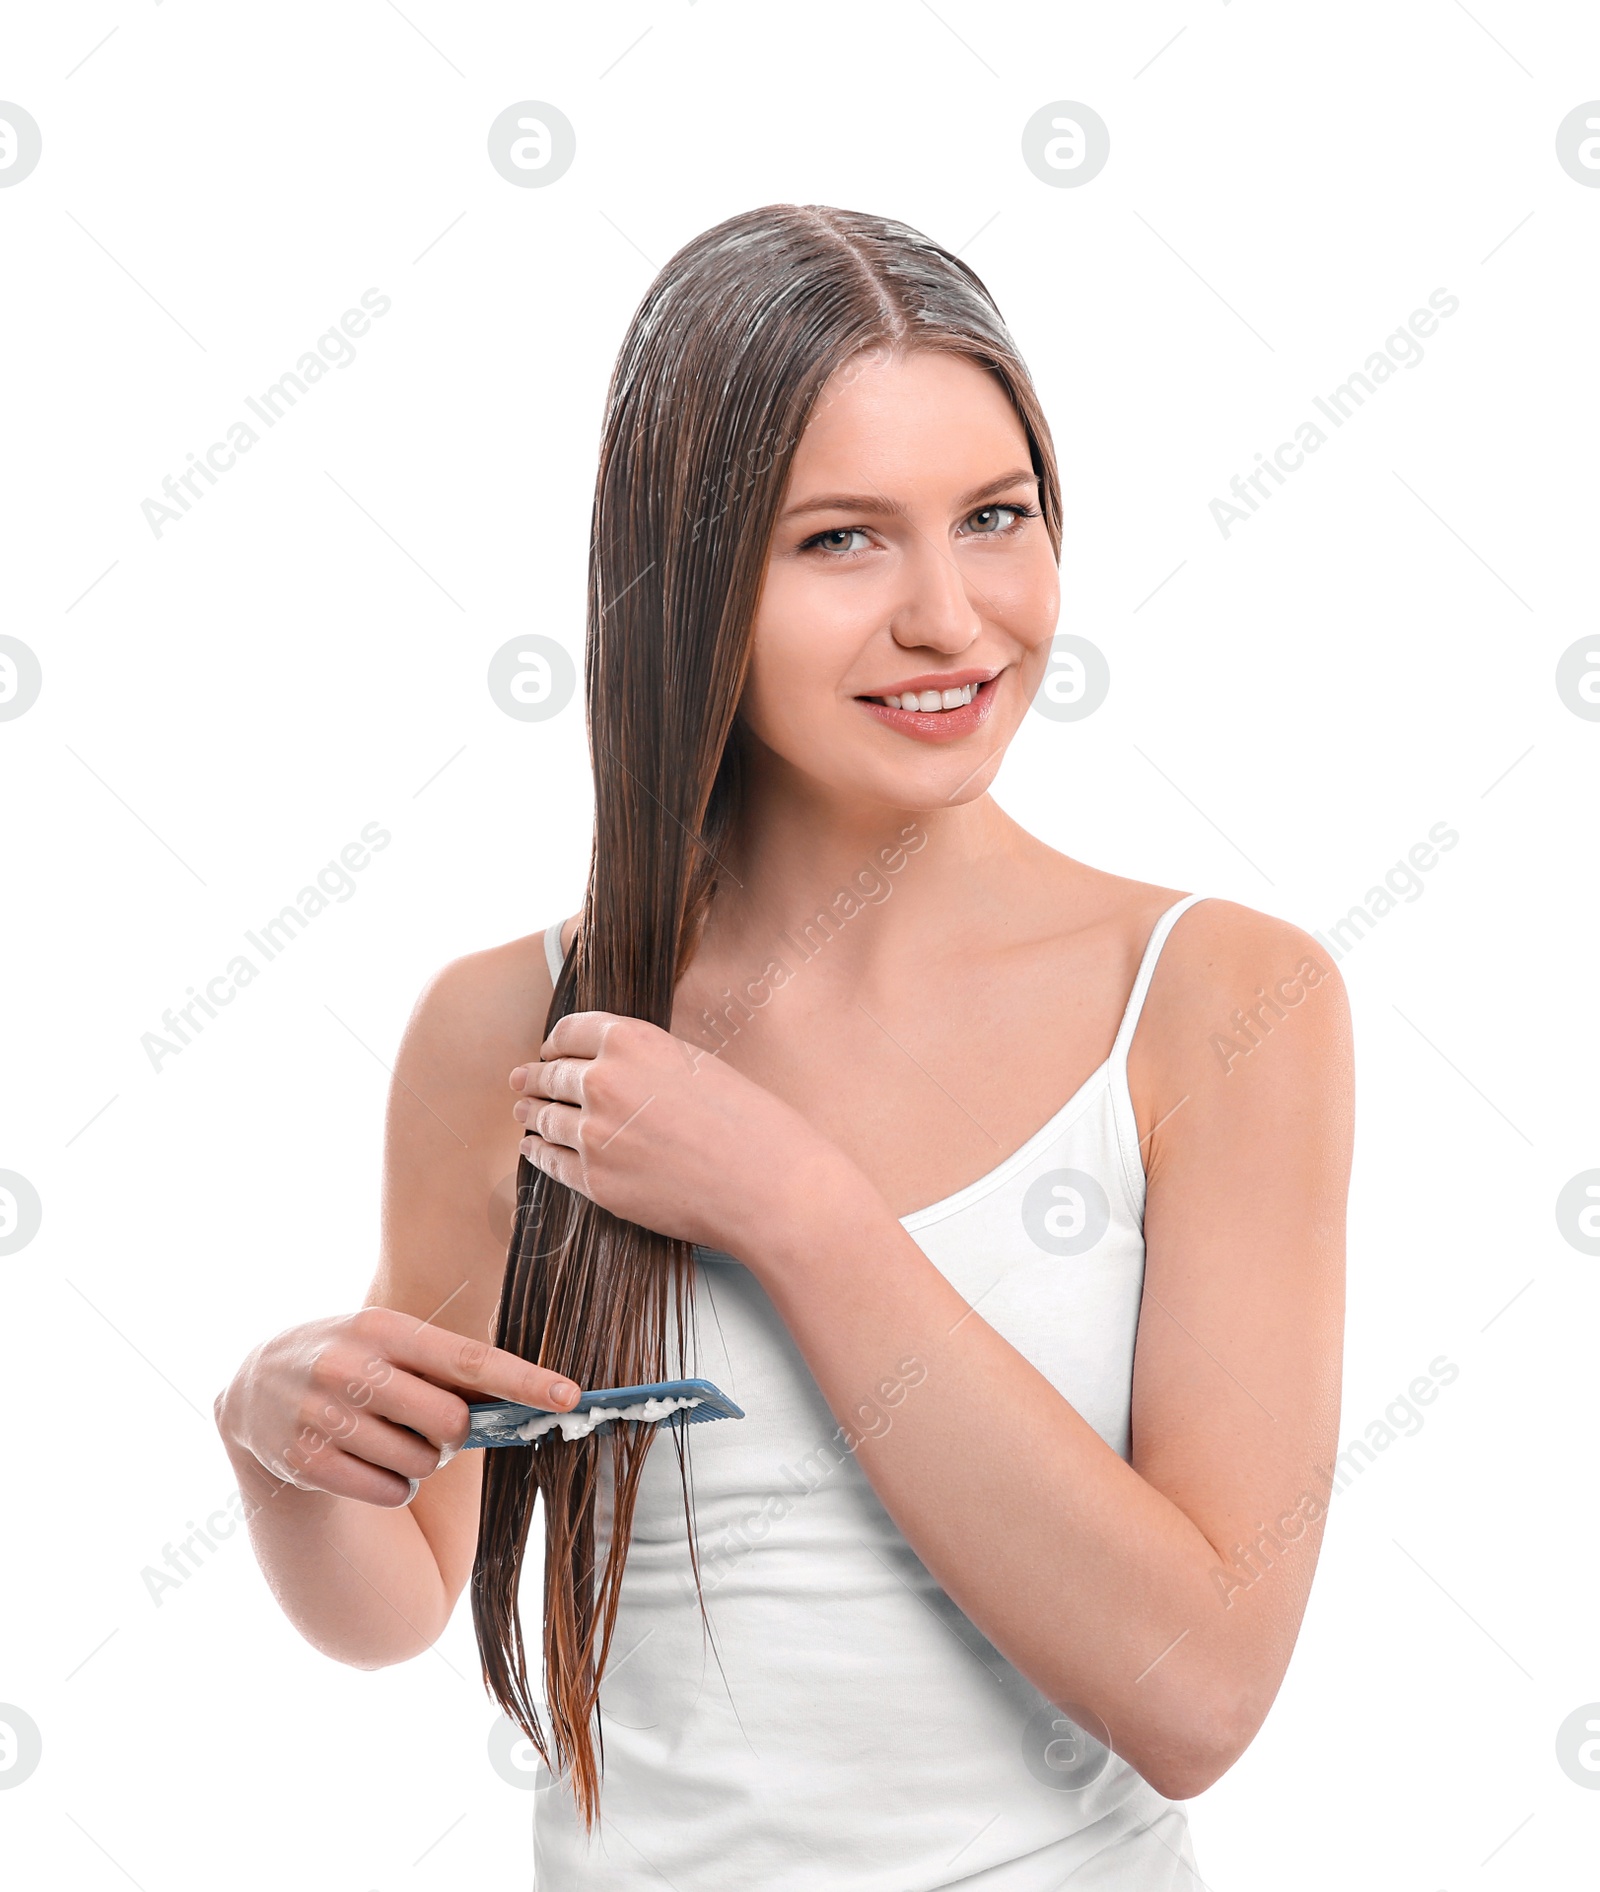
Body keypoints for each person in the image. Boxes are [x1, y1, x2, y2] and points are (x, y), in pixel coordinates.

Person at [214, 204, 1352, 1888]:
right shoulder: (509, 1033)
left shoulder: (1214, 1002)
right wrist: (276, 1444)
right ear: (683, 577)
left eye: (995, 518)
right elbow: (401, 1600)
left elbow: (1199, 1693)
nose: (952, 618)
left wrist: (791, 1203)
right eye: (842, 541)